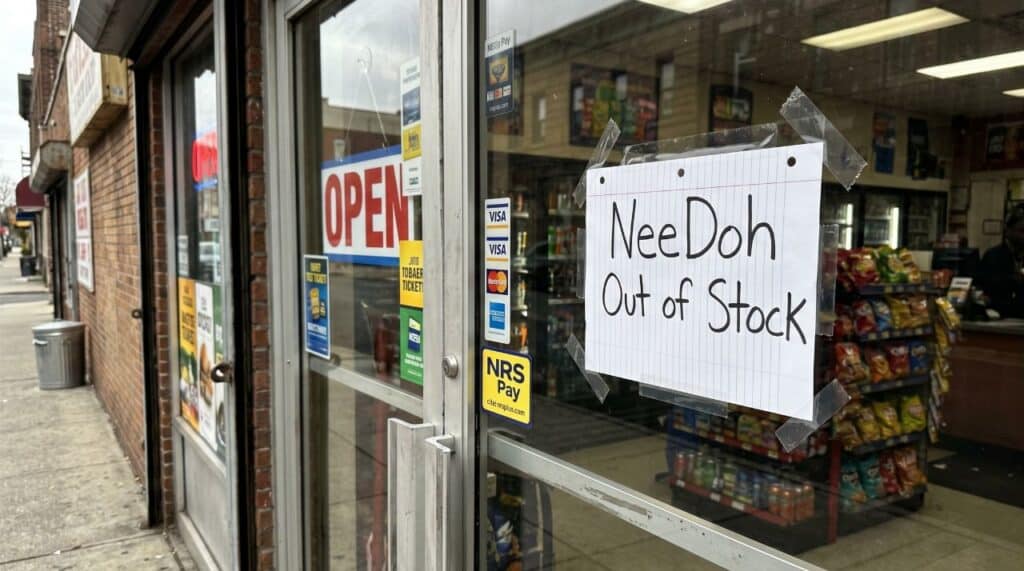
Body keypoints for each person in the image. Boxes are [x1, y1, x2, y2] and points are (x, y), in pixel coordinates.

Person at [977, 205, 1024, 318]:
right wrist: (1015, 279)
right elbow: (987, 290)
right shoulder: (993, 256)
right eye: (1022, 231)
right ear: (1008, 230)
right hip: (1001, 317)